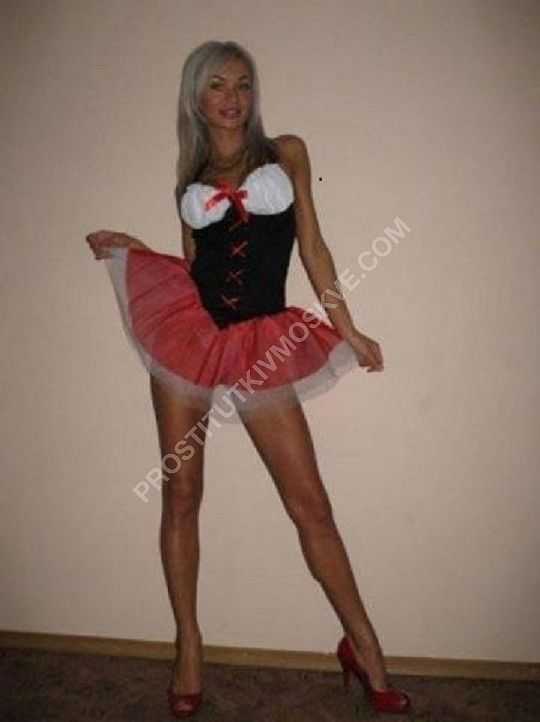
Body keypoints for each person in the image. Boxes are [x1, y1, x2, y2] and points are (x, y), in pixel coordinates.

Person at [86, 40, 411, 719]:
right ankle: (189, 647)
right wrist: (138, 253)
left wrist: (348, 328)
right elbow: (192, 269)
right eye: (217, 85)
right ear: (196, 98)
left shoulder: (287, 152)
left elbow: (313, 247)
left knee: (310, 505)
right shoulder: (190, 178)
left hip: (262, 340)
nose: (232, 97)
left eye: (242, 84)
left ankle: (365, 649)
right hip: (188, 341)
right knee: (182, 495)